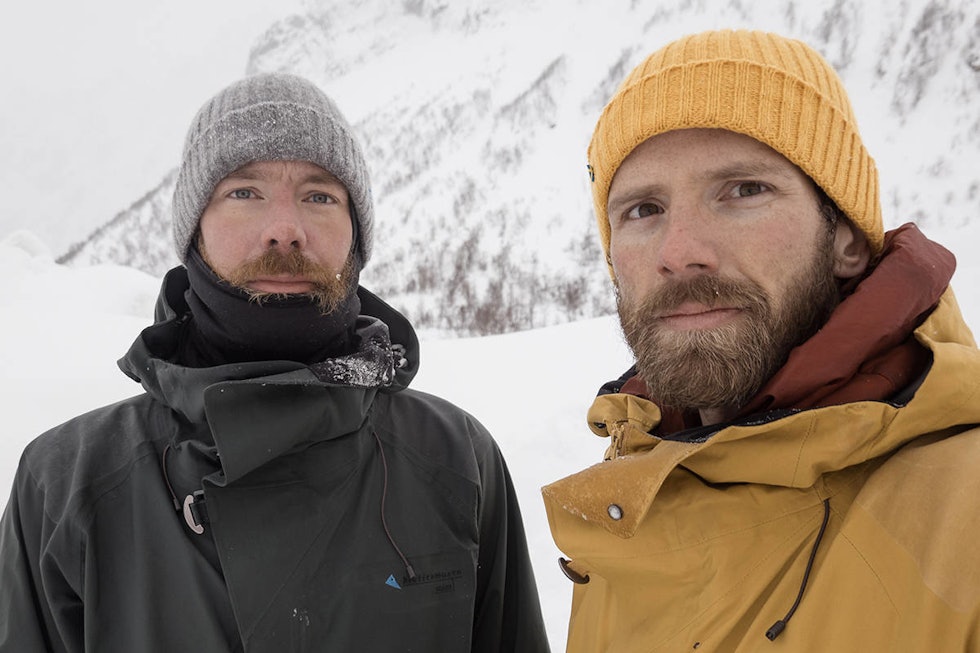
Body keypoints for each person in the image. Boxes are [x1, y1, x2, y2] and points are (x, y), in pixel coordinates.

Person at [0, 73, 550, 653]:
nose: (285, 230)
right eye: (244, 192)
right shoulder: (68, 483)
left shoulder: (455, 455)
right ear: (193, 231)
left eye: (319, 197)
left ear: (356, 238)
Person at [542, 29, 980, 652]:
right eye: (643, 209)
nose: (679, 253)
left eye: (744, 190)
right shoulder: (626, 507)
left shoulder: (965, 517)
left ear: (848, 240)